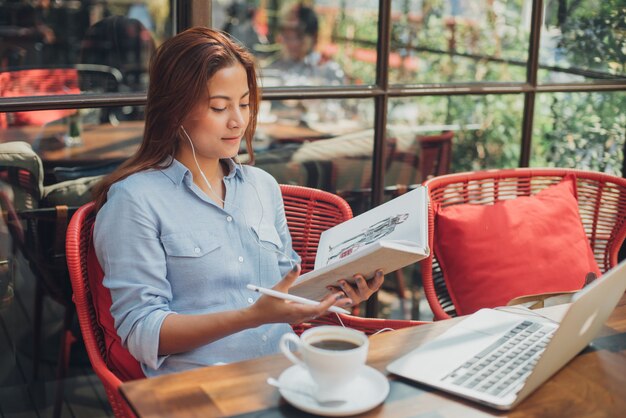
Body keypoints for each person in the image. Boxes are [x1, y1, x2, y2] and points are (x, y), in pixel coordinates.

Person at [92, 27, 383, 377]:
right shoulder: (135, 201)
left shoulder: (262, 187)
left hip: (287, 372)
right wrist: (251, 318)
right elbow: (142, 333)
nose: (238, 121)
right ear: (175, 110)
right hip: (203, 388)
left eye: (244, 103)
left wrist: (339, 293)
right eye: (219, 107)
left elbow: (285, 297)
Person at [265, 3, 345, 86]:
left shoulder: (328, 69)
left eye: (296, 36)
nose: (290, 43)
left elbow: (335, 96)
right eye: (286, 36)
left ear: (313, 37)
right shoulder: (278, 66)